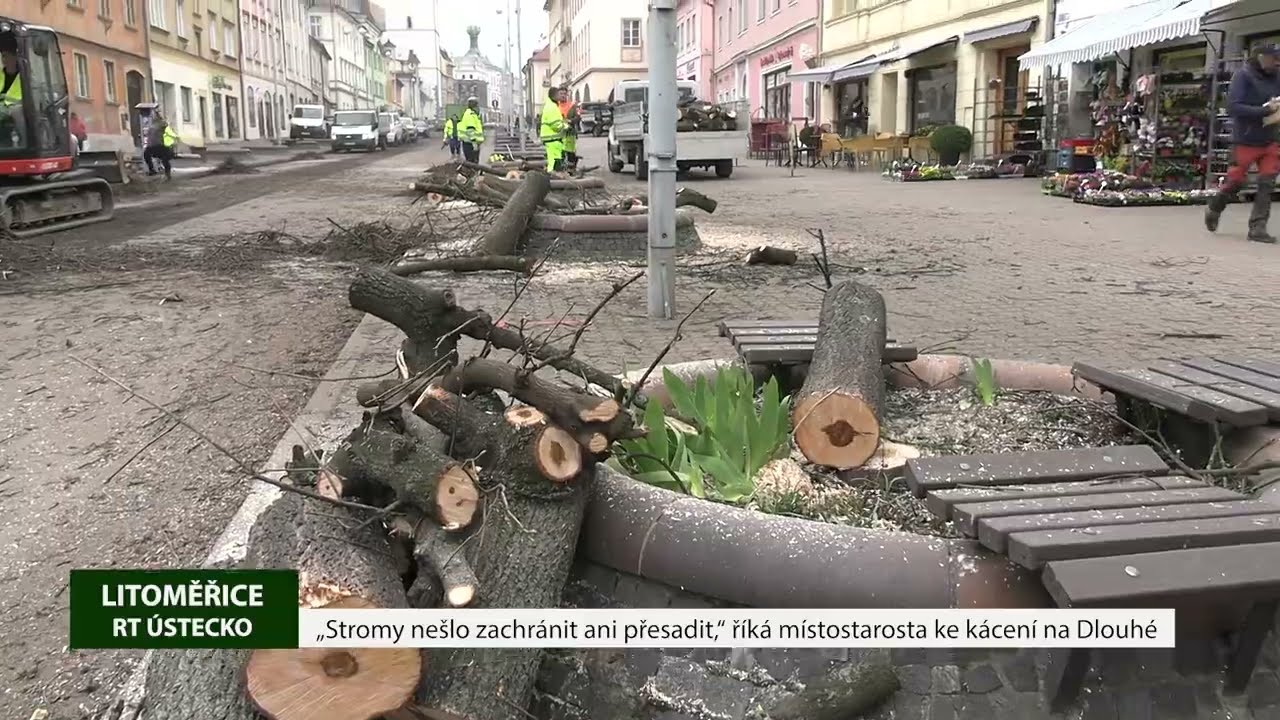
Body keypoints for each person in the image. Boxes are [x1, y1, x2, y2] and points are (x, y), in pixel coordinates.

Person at [1205, 43, 1280, 244]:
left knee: (1267, 184)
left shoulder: (1277, 76)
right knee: (1235, 182)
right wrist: (1265, 110)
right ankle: (1215, 206)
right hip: (1245, 140)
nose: (1277, 63)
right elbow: (1233, 107)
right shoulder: (1243, 76)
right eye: (1274, 59)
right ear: (1261, 58)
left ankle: (1257, 228)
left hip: (1270, 139)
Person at [1, 38, 25, 146]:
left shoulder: (25, 76)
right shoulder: (0, 75)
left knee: (16, 111)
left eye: (7, 56)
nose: (4, 60)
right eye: (3, 56)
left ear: (15, 57)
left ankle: (24, 141)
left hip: (17, 108)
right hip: (2, 108)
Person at [540, 86, 568, 173]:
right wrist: (566, 126)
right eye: (559, 94)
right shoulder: (552, 107)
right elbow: (555, 124)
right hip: (552, 138)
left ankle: (553, 176)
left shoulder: (550, 105)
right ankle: (553, 178)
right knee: (554, 161)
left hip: (550, 138)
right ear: (554, 96)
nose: (561, 96)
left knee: (553, 159)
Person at [143, 112, 178, 179]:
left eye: (155, 115)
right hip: (151, 146)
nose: (153, 117)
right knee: (146, 154)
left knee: (164, 159)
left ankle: (167, 173)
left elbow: (167, 128)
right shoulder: (152, 124)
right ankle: (152, 169)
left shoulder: (162, 123)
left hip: (160, 145)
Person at [456, 98, 485, 163]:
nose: (478, 107)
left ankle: (473, 173)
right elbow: (470, 130)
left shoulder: (470, 114)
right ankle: (473, 173)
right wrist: (474, 143)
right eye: (477, 105)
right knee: (472, 163)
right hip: (470, 144)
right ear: (474, 106)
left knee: (472, 162)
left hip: (469, 143)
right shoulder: (470, 115)